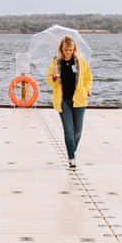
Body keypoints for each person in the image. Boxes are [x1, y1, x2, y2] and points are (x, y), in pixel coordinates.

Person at [46, 35, 93, 169]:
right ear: (61, 49)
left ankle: (72, 149)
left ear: (74, 49)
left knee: (77, 131)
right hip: (63, 101)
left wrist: (87, 89)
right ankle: (71, 158)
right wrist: (54, 75)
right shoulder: (56, 63)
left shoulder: (80, 62)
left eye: (71, 50)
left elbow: (89, 78)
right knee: (68, 130)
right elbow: (49, 81)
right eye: (66, 50)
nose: (68, 52)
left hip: (79, 100)